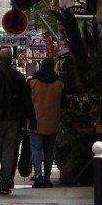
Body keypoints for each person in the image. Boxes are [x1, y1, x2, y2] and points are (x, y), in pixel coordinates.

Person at [0, 46, 35, 196]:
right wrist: (31, 119)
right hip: (13, 119)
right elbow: (26, 100)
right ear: (11, 60)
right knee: (9, 150)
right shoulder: (18, 77)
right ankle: (4, 184)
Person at [28, 57, 66, 188]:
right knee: (49, 152)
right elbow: (63, 104)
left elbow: (27, 103)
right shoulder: (59, 84)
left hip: (35, 121)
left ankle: (38, 176)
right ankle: (47, 177)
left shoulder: (32, 82)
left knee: (36, 150)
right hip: (52, 122)